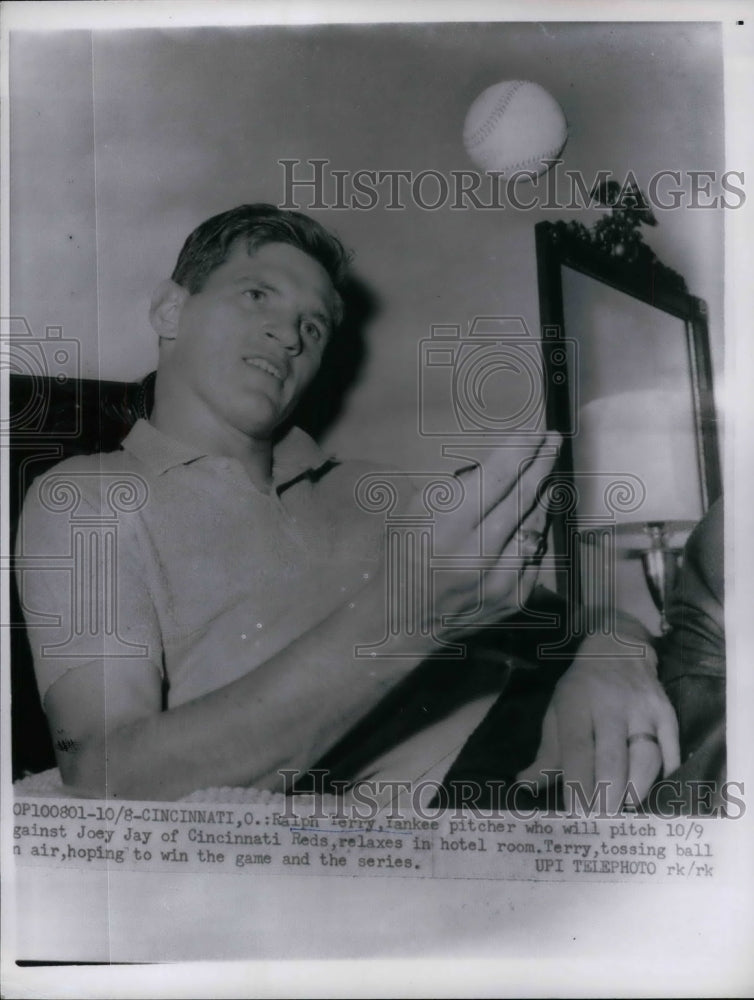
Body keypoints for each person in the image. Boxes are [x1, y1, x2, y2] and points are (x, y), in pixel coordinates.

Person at [16, 204, 679, 805]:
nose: (291, 335)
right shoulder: (91, 499)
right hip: (480, 788)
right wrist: (407, 611)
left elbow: (583, 620)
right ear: (170, 310)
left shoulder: (381, 488)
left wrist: (614, 658)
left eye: (314, 324)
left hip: (583, 735)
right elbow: (104, 774)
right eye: (257, 296)